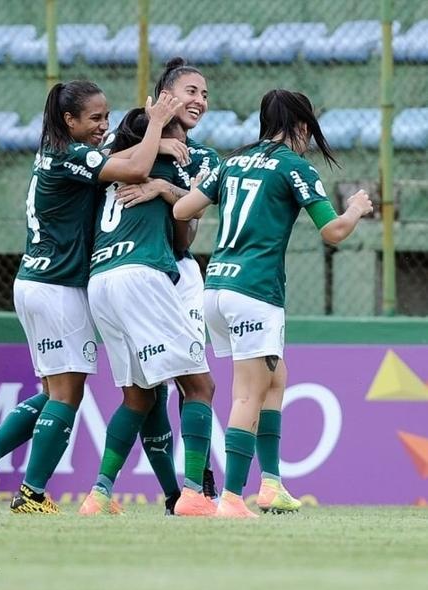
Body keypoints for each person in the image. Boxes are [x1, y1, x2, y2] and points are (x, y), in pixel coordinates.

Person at [0, 80, 181, 514]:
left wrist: (156, 143)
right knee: (67, 395)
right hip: (57, 289)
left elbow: (113, 156)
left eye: (107, 117)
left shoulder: (58, 152)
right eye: (94, 118)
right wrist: (158, 128)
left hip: (34, 283)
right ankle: (31, 494)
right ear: (69, 120)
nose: (103, 125)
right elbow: (132, 168)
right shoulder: (70, 155)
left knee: (54, 391)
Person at [173, 88, 373, 518]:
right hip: (255, 291)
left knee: (276, 378)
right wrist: (355, 208)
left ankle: (271, 485)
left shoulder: (233, 161)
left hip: (216, 289)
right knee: (248, 392)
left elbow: (183, 209)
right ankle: (231, 498)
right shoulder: (294, 167)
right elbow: (333, 232)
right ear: (302, 126)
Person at [79, 103, 216, 519]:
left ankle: (98, 494)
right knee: (200, 386)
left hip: (100, 280)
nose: (182, 145)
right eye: (175, 136)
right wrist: (166, 186)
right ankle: (194, 493)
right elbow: (187, 222)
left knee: (138, 396)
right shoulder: (161, 163)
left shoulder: (110, 169)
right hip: (142, 276)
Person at [111, 58, 221, 512]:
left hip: (180, 274)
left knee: (188, 381)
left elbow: (188, 230)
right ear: (164, 97)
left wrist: (164, 189)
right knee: (148, 390)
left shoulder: (206, 158)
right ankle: (182, 492)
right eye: (192, 91)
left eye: (206, 95)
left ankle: (190, 484)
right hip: (140, 275)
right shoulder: (130, 145)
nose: (200, 101)